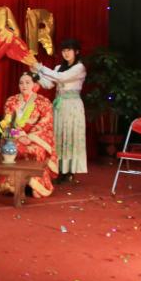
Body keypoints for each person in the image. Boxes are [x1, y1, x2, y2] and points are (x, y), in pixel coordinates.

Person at [0, 73, 58, 198]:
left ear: (34, 85)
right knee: (13, 148)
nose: (24, 85)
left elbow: (46, 122)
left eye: (28, 82)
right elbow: (8, 122)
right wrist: (19, 135)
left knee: (37, 150)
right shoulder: (11, 101)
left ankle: (35, 184)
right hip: (16, 136)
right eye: (21, 83)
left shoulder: (43, 102)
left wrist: (30, 137)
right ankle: (12, 183)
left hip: (35, 137)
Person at [33, 38, 87, 182]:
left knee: (70, 136)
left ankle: (69, 171)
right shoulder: (58, 67)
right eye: (63, 50)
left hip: (73, 106)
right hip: (59, 105)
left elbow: (61, 78)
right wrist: (37, 75)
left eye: (69, 50)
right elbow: (49, 84)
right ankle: (58, 169)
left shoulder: (79, 68)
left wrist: (40, 67)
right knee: (58, 135)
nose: (66, 53)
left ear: (76, 52)